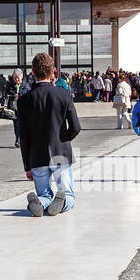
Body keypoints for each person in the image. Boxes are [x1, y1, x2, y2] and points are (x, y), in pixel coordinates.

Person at [17, 52, 81, 216]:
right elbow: (76, 127)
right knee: (69, 195)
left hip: (37, 155)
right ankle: (63, 201)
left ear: (32, 72)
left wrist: (27, 166)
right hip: (61, 152)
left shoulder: (24, 100)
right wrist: (64, 139)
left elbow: (23, 137)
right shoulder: (64, 95)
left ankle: (40, 202)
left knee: (44, 194)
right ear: (53, 71)